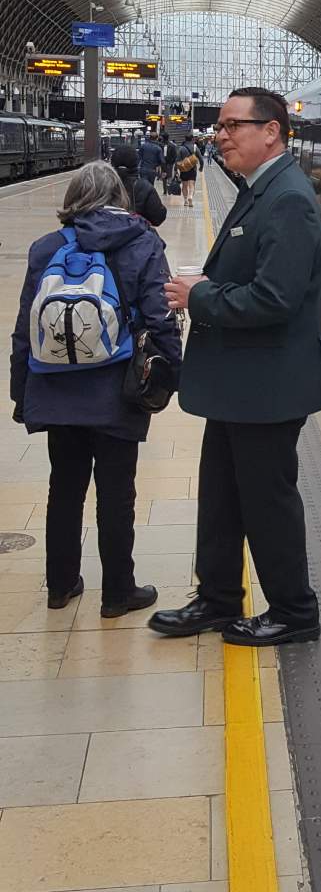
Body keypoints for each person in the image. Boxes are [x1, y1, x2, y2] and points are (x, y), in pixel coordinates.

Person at [149, 87, 321, 647]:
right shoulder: (261, 189)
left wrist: (200, 297)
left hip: (269, 385)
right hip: (244, 381)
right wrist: (210, 285)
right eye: (220, 125)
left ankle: (295, 612)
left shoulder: (288, 200)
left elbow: (275, 299)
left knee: (266, 500)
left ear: (271, 131)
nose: (221, 135)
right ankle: (218, 598)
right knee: (222, 494)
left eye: (233, 125)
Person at [9, 161, 182, 615]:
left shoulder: (46, 247)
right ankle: (118, 593)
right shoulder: (142, 242)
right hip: (117, 390)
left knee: (64, 488)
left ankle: (60, 585)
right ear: (119, 198)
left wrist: (20, 392)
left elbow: (25, 328)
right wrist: (174, 372)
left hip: (55, 389)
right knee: (116, 492)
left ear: (72, 199)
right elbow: (160, 315)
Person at [110, 145, 167, 228]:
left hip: (104, 233)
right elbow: (158, 218)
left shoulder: (102, 185)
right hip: (135, 232)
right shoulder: (144, 187)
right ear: (135, 162)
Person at [176, 135, 201, 209]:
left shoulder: (181, 148)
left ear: (185, 139)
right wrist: (201, 167)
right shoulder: (195, 147)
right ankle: (190, 197)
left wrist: (175, 169)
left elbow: (177, 160)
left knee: (184, 185)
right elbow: (201, 158)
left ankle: (185, 200)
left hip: (184, 170)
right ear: (192, 139)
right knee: (191, 185)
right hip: (193, 169)